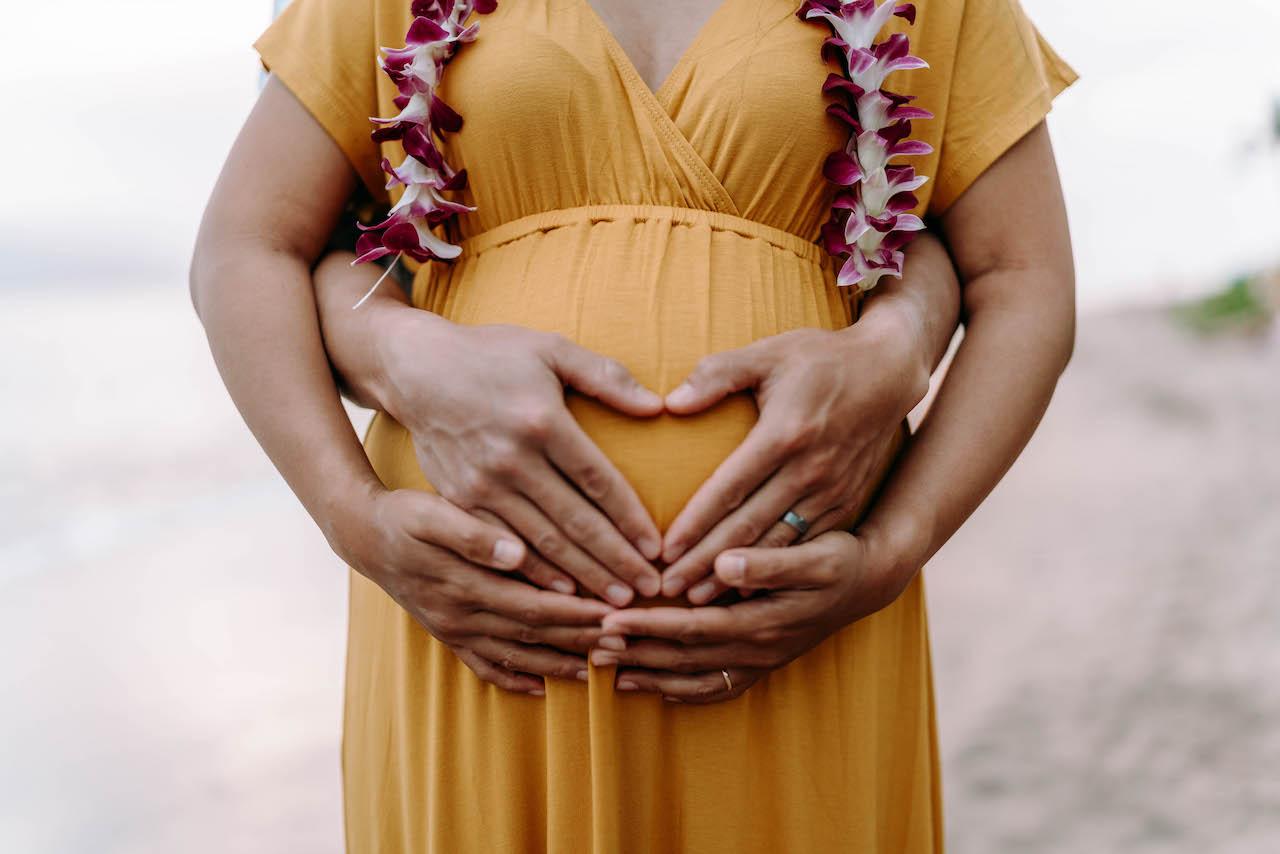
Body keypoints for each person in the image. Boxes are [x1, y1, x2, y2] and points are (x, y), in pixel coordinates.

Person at [190, 0, 1076, 850]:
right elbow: (249, 245)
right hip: (477, 625)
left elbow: (1020, 278)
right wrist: (356, 519)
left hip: (800, 627)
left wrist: (893, 549)